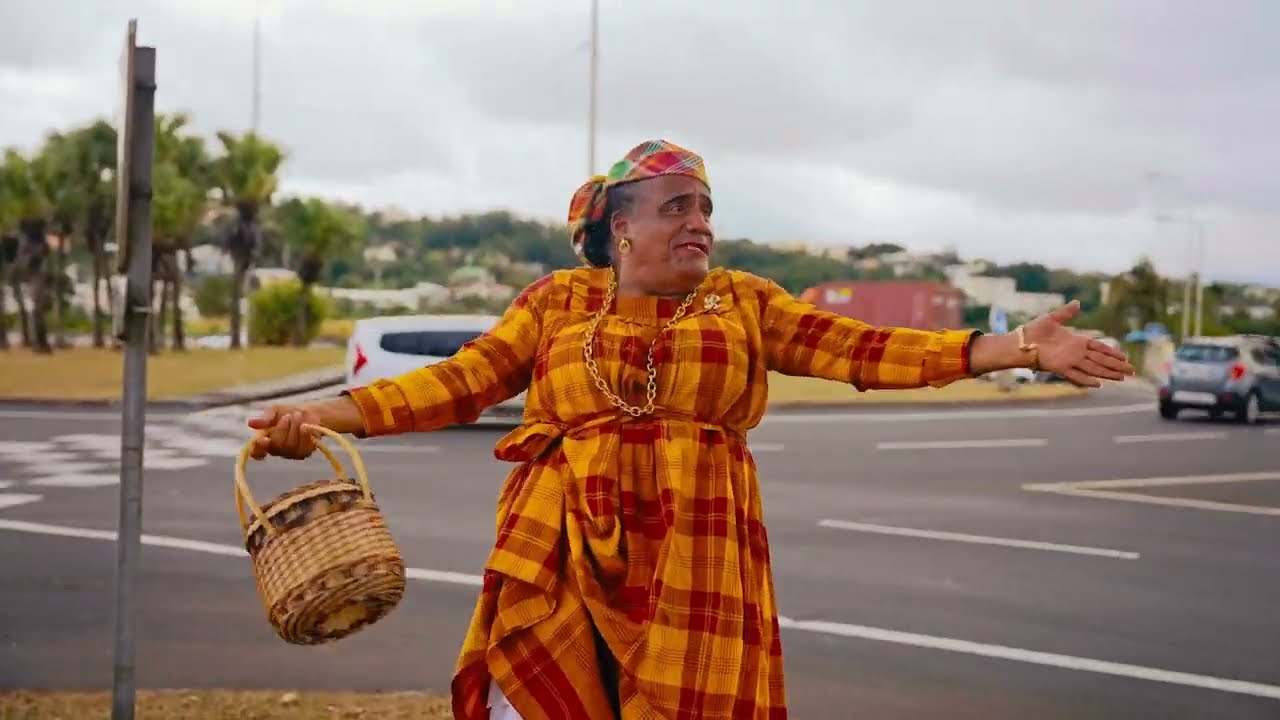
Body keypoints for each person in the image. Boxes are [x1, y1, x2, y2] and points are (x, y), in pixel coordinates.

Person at [247, 139, 1135, 720]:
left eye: (706, 209)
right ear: (620, 228)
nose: (699, 223)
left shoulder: (743, 302)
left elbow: (867, 348)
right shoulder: (556, 303)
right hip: (556, 552)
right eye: (677, 206)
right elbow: (461, 382)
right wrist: (318, 415)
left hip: (697, 556)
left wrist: (1013, 346)